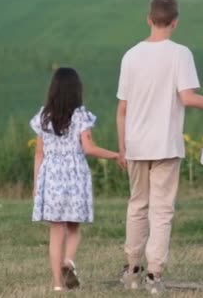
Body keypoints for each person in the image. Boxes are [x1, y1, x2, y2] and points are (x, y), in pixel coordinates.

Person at [116, 0, 203, 294]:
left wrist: (122, 147)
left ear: (149, 19)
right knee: (162, 210)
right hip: (166, 144)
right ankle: (155, 275)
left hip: (135, 144)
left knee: (137, 205)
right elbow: (188, 97)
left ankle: (131, 270)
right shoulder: (180, 54)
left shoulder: (130, 56)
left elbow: (122, 109)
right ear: (175, 21)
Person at [30, 67, 122, 292]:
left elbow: (39, 153)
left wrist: (36, 184)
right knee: (73, 226)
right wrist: (116, 155)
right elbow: (89, 148)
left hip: (50, 175)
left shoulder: (44, 117)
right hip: (74, 175)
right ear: (76, 91)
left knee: (56, 230)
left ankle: (57, 285)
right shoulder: (81, 116)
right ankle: (68, 262)